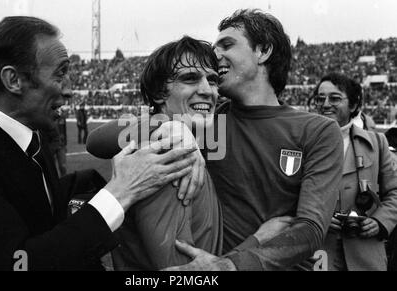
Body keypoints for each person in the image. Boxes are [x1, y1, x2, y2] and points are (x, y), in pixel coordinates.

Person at [90, 9, 344, 271]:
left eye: (227, 45)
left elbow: (310, 229)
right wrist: (167, 125)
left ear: (263, 50)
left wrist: (233, 265)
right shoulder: (209, 121)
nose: (217, 55)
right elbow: (97, 141)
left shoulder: (317, 131)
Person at [0, 16, 197, 271]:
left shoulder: (31, 134)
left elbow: (38, 205)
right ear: (13, 80)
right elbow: (18, 263)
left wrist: (175, 130)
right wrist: (120, 192)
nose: (69, 90)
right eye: (60, 73)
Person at [314, 73, 397, 271]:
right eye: (320, 98)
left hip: (366, 250)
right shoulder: (301, 142)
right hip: (319, 251)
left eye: (334, 98)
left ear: (353, 105)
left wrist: (380, 221)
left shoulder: (377, 143)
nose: (325, 104)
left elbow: (394, 192)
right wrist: (318, 218)